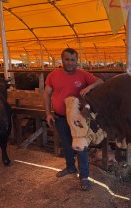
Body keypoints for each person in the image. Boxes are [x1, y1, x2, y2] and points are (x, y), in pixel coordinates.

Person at [43, 48, 103, 191]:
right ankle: (70, 167)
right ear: (62, 60)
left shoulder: (82, 74)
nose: (70, 63)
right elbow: (46, 95)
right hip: (60, 117)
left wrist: (90, 86)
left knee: (80, 145)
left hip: (78, 119)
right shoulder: (53, 75)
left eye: (73, 60)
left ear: (77, 61)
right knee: (66, 143)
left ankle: (84, 176)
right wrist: (48, 113)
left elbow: (100, 81)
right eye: (67, 59)